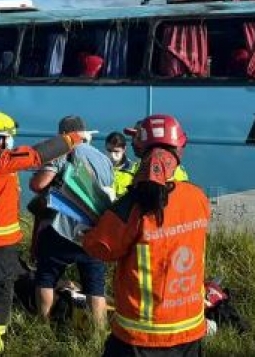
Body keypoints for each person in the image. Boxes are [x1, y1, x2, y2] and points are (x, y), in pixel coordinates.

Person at [0, 111, 92, 353]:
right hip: (1, 239)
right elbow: (36, 154)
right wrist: (72, 139)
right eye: (9, 137)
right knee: (0, 289)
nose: (11, 141)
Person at [83, 114, 209, 357]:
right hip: (190, 330)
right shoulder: (198, 197)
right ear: (179, 150)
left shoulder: (132, 206)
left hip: (140, 337)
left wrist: (86, 232)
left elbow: (100, 248)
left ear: (140, 151)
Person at [28, 115, 112, 330]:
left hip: (64, 228)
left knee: (45, 277)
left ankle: (43, 326)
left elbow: (39, 184)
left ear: (63, 136)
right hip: (94, 229)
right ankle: (98, 335)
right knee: (95, 287)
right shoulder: (104, 159)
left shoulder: (63, 152)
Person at [107, 131, 190, 198]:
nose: (133, 143)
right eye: (133, 138)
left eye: (138, 138)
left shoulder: (141, 170)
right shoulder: (141, 169)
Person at [105, 132, 139, 199]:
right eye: (109, 150)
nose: (112, 155)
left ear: (124, 149)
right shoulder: (100, 167)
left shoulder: (135, 170)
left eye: (116, 151)